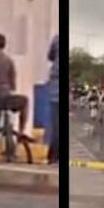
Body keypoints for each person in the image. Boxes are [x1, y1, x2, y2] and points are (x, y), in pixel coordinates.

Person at [46, 33, 60, 163]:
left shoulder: (56, 38)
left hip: (55, 90)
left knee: (55, 125)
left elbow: (49, 56)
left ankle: (53, 155)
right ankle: (54, 155)